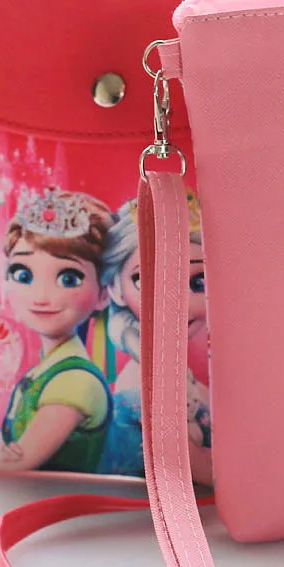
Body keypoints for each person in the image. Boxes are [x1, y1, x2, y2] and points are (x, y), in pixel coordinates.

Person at [0, 188, 113, 473]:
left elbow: (6, 468)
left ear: (104, 293)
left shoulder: (74, 381)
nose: (40, 297)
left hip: (64, 499)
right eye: (23, 275)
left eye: (68, 278)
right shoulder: (46, 370)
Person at [98, 191, 211, 483]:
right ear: (115, 288)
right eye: (149, 280)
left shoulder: (178, 377)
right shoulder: (146, 386)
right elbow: (200, 471)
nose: (177, 302)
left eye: (197, 282)